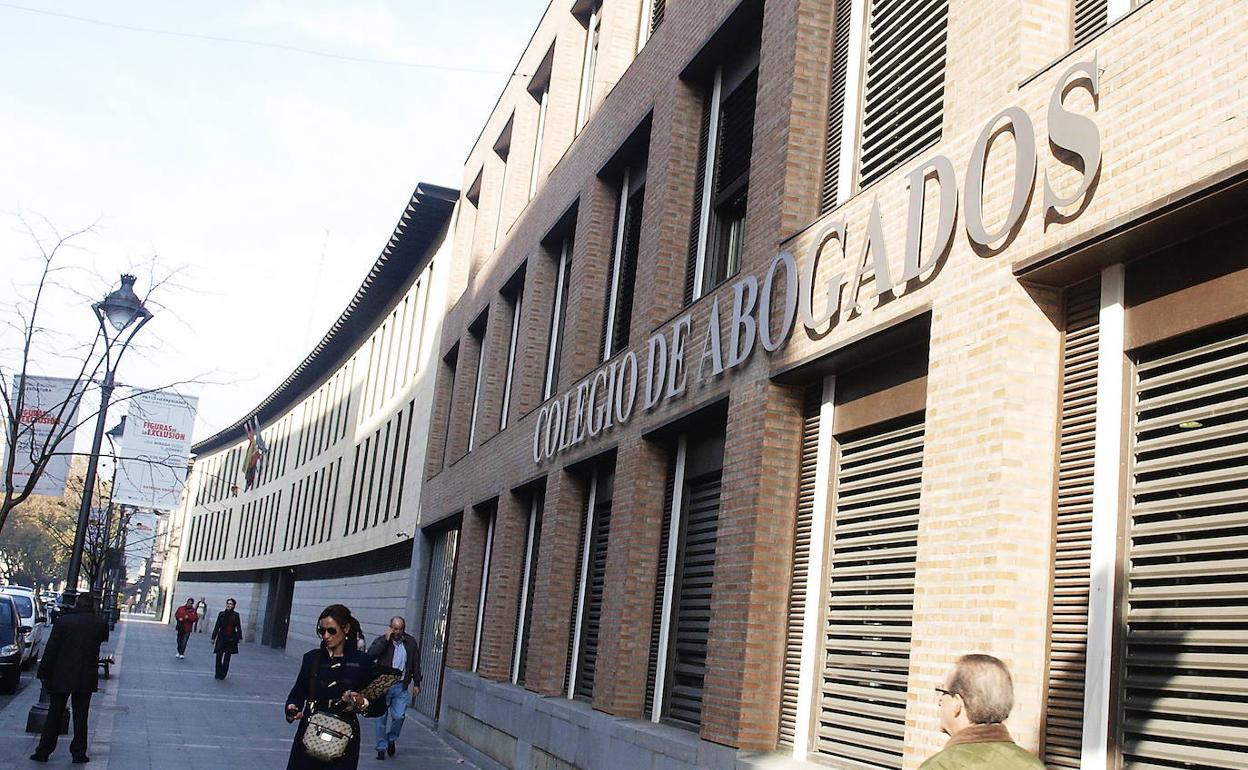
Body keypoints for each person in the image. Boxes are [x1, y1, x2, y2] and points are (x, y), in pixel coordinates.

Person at [284, 604, 385, 769]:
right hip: (309, 735)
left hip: (343, 739)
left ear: (345, 629)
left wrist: (361, 702)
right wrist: (292, 708)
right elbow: (297, 693)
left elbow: (379, 706)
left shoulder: (362, 662)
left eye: (331, 631)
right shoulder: (312, 658)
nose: (326, 636)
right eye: (322, 631)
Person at [921, 654, 1045, 769]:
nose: (940, 701)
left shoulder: (940, 766)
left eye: (943, 692)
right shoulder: (1033, 765)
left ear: (956, 703)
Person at [30, 594, 110, 764]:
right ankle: (79, 753)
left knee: (54, 714)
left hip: (62, 674)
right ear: (93, 605)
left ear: (76, 603)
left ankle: (43, 750)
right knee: (81, 716)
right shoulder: (99, 623)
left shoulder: (64, 622)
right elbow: (104, 637)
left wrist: (44, 673)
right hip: (85, 675)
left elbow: (51, 649)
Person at [366, 616, 422, 760]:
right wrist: (385, 640)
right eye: (395, 629)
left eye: (400, 629)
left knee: (399, 716)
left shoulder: (410, 642)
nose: (397, 632)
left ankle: (391, 739)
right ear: (390, 627)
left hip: (400, 685)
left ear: (404, 629)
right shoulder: (382, 640)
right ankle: (381, 748)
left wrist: (417, 683)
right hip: (383, 686)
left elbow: (415, 662)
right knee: (381, 718)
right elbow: (371, 655)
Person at [210, 598, 243, 679]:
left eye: (230, 604)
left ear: (233, 606)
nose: (228, 605)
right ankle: (218, 672)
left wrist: (240, 637)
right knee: (218, 656)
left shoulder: (236, 615)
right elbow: (217, 626)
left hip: (231, 638)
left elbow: (238, 627)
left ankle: (223, 674)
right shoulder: (221, 614)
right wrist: (213, 637)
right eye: (228, 603)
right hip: (221, 637)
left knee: (227, 658)